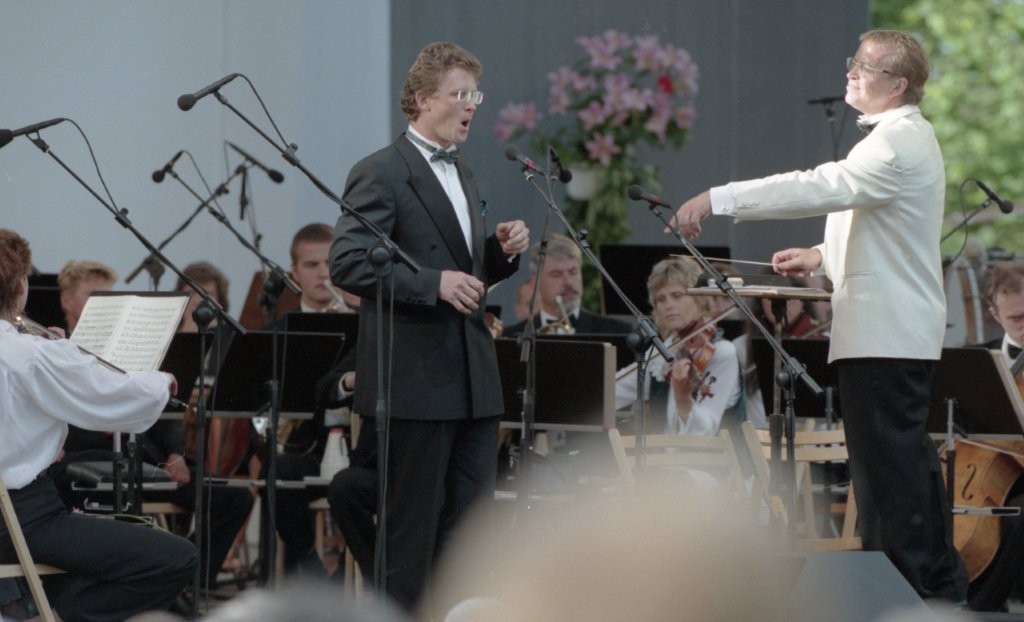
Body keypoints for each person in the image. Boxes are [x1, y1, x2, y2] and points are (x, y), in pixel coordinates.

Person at [672, 30, 967, 602]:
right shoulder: (900, 138)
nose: (850, 71)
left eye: (864, 65)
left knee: (888, 479)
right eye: (853, 61)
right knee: (901, 469)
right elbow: (886, 228)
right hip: (889, 332)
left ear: (898, 83)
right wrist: (821, 256)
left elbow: (822, 186)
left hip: (885, 334)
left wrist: (719, 197)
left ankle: (905, 595)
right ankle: (935, 587)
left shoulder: (896, 142)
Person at [329, 41, 529, 613]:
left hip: (472, 380)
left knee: (468, 533)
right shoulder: (380, 171)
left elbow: (463, 271)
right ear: (421, 99)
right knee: (410, 532)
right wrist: (432, 283)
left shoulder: (462, 171)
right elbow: (348, 261)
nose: (471, 106)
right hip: (415, 380)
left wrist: (498, 253)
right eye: (459, 94)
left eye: (475, 96)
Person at [0, 229, 196, 621]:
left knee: (94, 565)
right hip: (23, 519)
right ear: (20, 287)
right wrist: (162, 383)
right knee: (175, 557)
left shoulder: (33, 351)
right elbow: (114, 397)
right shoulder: (30, 354)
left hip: (16, 515)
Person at [615, 256, 740, 437]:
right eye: (661, 299)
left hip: (716, 455)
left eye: (677, 295)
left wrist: (683, 399)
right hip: (665, 454)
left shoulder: (722, 353)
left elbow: (703, 432)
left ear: (700, 298)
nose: (668, 305)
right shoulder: (662, 353)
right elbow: (614, 391)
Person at [503, 234, 632, 336]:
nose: (568, 282)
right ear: (535, 281)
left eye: (573, 272)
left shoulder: (617, 332)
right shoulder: (513, 336)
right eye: (556, 274)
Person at [56, 259, 117, 334]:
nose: (102, 302)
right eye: (93, 295)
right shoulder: (52, 340)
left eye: (107, 295)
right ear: (67, 301)